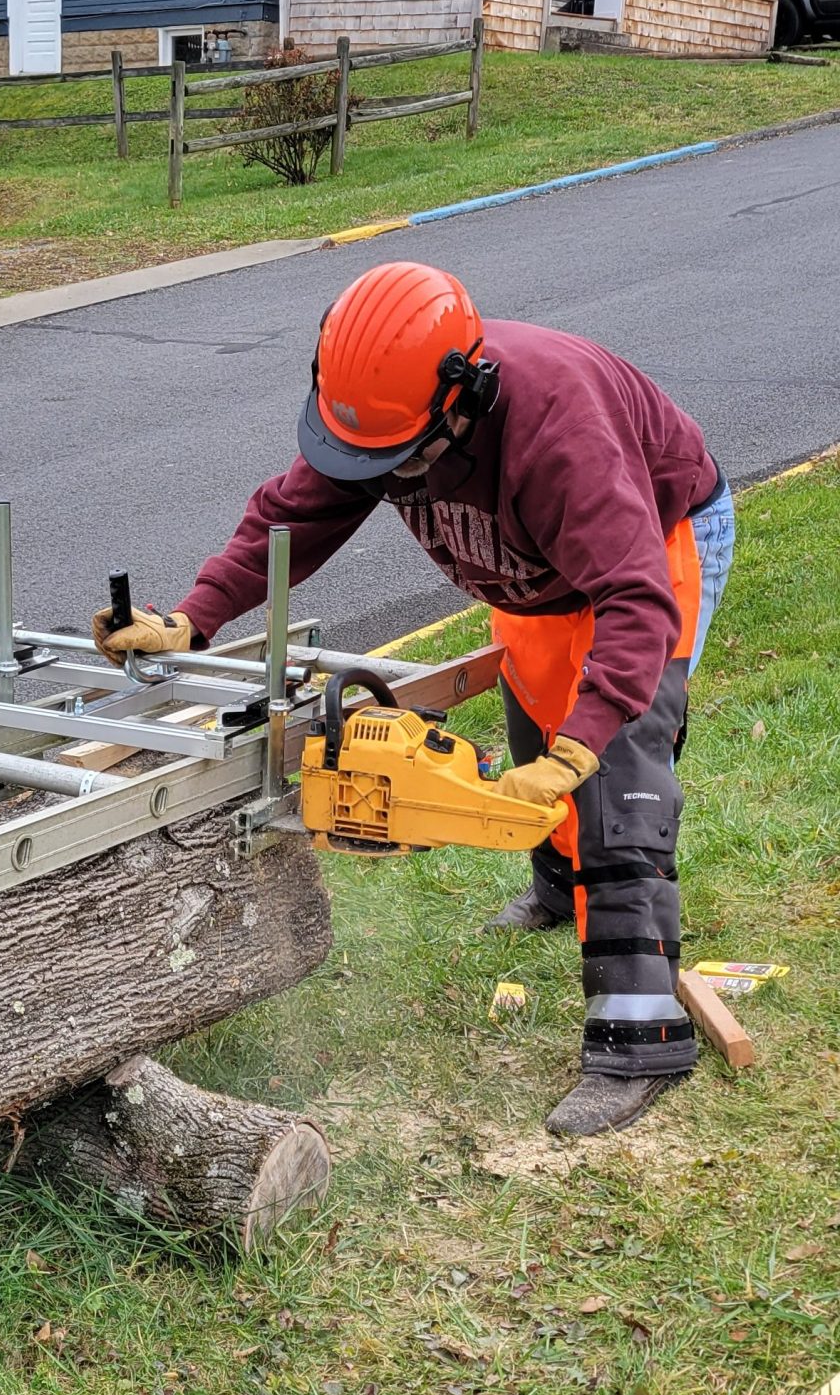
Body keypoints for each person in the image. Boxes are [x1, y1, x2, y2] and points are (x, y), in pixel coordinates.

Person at [93, 261, 734, 1138]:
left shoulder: (559, 431)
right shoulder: (383, 405)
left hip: (654, 544)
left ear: (464, 402)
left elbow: (635, 600)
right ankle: (558, 890)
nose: (383, 477)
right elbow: (289, 518)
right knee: (533, 731)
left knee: (615, 771)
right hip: (537, 580)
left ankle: (639, 1037)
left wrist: (586, 739)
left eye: (400, 459)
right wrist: (190, 618)